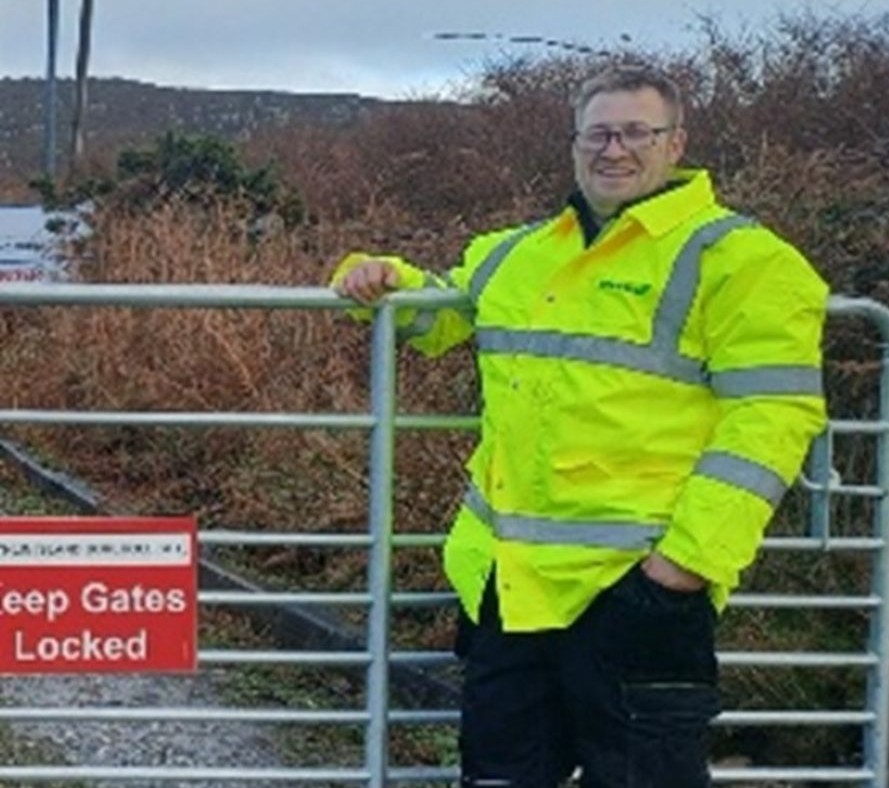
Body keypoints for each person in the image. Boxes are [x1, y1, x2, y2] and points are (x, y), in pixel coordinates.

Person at [331, 66, 828, 788]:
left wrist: (682, 569)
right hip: (512, 593)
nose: (614, 149)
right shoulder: (518, 254)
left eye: (636, 132)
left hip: (641, 596)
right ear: (573, 143)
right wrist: (374, 280)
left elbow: (774, 421)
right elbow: (436, 316)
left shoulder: (744, 261)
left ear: (676, 142)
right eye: (598, 133)